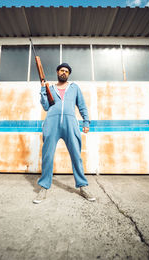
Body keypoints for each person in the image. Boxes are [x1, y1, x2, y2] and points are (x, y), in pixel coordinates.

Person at [33, 63, 95, 204]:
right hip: (52, 124)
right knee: (47, 156)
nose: (64, 73)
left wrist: (86, 121)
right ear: (57, 72)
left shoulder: (74, 88)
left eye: (66, 71)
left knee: (76, 156)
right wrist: (43, 89)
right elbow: (45, 106)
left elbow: (82, 105)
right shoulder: (50, 88)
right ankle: (43, 188)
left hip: (70, 123)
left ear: (68, 74)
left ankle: (83, 186)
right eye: (62, 70)